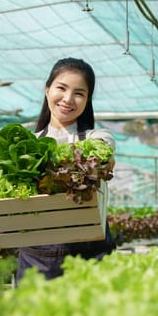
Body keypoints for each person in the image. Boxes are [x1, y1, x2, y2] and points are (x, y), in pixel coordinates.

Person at [15, 57, 117, 283]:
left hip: (89, 256)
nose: (68, 99)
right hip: (36, 258)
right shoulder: (26, 143)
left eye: (79, 93)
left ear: (87, 100)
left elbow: (104, 152)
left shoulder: (98, 137)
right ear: (48, 90)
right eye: (61, 88)